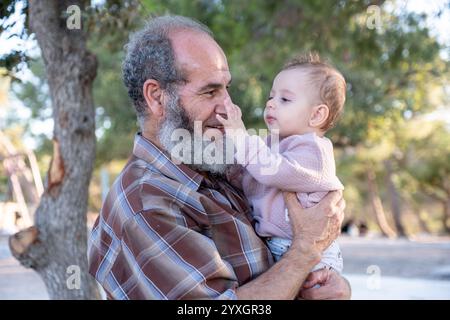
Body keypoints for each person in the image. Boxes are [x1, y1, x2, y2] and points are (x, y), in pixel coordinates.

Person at [87, 15, 350, 300]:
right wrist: (305, 252)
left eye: (226, 88)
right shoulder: (144, 205)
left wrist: (333, 286)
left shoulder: (212, 167)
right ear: (157, 97)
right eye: (210, 91)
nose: (228, 105)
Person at [217, 53, 345, 274]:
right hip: (281, 245)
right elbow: (248, 172)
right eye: (271, 96)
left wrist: (240, 136)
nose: (271, 104)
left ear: (316, 115)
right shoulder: (272, 143)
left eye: (284, 99)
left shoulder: (314, 150)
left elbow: (272, 171)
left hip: (313, 254)